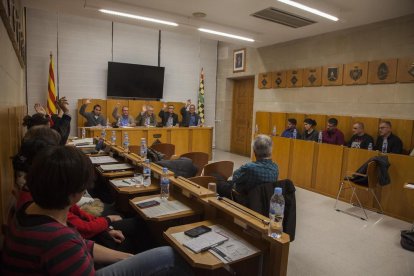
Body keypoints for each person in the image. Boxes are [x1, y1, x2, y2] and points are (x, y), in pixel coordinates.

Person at [3, 146, 192, 275]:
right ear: (75, 195)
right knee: (170, 256)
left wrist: (126, 258)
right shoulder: (57, 241)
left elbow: (81, 243)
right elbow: (72, 244)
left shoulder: (29, 210)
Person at [12, 126, 149, 254]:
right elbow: (80, 231)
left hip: (88, 237)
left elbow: (75, 218)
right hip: (88, 240)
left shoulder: (39, 189)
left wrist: (106, 227)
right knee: (139, 225)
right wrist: (107, 221)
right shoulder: (57, 235)